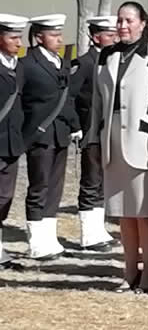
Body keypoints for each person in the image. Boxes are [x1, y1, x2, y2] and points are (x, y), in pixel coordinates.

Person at [87, 1, 148, 293]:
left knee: (144, 210)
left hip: (143, 141)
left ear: (142, 23)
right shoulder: (107, 55)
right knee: (123, 211)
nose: (122, 26)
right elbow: (97, 103)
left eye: (129, 20)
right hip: (112, 140)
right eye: (120, 20)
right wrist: (93, 138)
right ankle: (129, 269)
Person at [21, 14, 81, 260]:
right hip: (39, 133)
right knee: (39, 185)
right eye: (53, 35)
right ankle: (36, 241)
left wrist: (74, 124)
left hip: (60, 133)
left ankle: (49, 238)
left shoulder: (60, 61)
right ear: (38, 37)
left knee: (55, 187)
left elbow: (66, 99)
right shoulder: (27, 64)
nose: (59, 39)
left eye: (59, 34)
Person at [70, 15, 119, 251]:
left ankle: (98, 229)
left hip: (106, 128)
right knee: (91, 181)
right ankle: (88, 235)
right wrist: (76, 127)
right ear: (95, 36)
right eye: (109, 35)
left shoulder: (111, 60)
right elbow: (69, 97)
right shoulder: (85, 63)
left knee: (102, 181)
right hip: (90, 129)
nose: (114, 38)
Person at [0, 14, 28, 267]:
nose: (18, 42)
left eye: (19, 37)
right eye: (12, 37)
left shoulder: (17, 66)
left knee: (5, 197)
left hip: (11, 143)